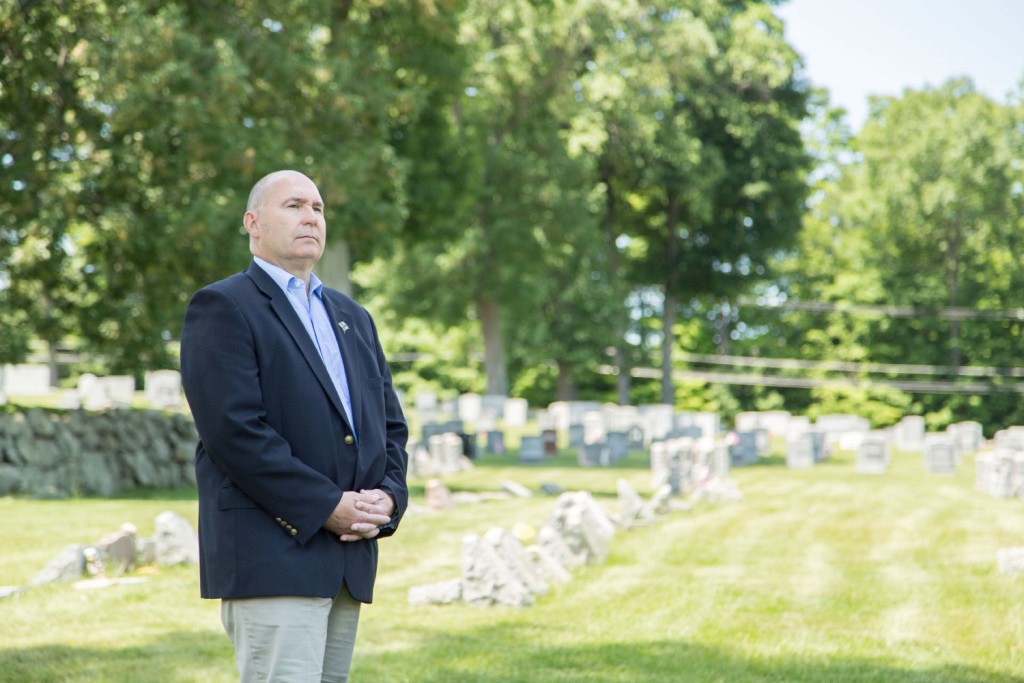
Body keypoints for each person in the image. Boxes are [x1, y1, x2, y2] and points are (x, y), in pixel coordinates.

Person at [180, 169, 409, 682]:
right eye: (294, 205)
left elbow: (388, 428)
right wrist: (327, 506)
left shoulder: (354, 316)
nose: (311, 216)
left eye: (319, 208)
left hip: (347, 561)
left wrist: (389, 498)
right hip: (272, 555)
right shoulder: (223, 307)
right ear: (252, 223)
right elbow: (235, 434)